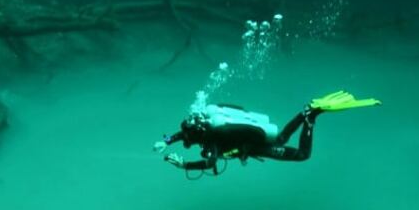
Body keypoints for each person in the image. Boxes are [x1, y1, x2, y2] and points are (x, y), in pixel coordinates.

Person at [153, 90, 380, 175]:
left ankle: (311, 117)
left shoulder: (212, 139)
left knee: (302, 155)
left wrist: (183, 164)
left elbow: (209, 164)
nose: (188, 141)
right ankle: (306, 112)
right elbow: (184, 133)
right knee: (281, 137)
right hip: (252, 137)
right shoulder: (204, 125)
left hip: (255, 144)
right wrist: (166, 140)